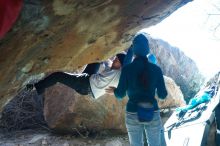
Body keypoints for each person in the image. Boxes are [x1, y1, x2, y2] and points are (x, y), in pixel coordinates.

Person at [106, 32, 168, 146]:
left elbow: (120, 95)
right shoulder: (156, 69)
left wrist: (114, 91)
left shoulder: (127, 69)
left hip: (132, 112)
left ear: (134, 50)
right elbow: (162, 95)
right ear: (147, 49)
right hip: (152, 111)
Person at [26, 48, 133, 99]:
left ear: (122, 67)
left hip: (84, 85)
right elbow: (107, 60)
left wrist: (132, 47)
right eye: (115, 58)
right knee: (98, 58)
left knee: (57, 76)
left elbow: (125, 93)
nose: (114, 60)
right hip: (89, 78)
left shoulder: (120, 74)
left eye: (117, 60)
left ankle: (36, 87)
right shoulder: (112, 68)